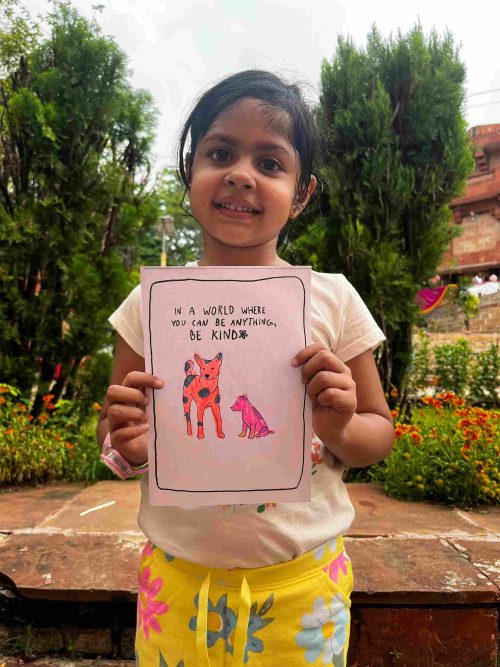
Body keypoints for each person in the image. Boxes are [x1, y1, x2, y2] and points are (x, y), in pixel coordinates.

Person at [97, 70, 395, 667]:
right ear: (190, 172)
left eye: (270, 162)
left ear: (302, 193)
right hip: (178, 590)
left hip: (302, 589)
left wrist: (338, 428)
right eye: (220, 152)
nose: (240, 174)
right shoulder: (149, 306)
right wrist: (125, 445)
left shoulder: (333, 300)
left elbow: (378, 434)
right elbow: (113, 436)